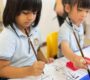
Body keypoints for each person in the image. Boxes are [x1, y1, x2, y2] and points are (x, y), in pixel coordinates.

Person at [0, 0, 53, 79]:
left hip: (33, 75)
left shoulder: (35, 29)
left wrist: (45, 61)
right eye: (25, 12)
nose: (31, 17)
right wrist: (29, 71)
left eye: (34, 12)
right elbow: (1, 70)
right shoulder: (7, 36)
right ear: (12, 10)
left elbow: (37, 49)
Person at [58, 0, 90, 69]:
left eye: (87, 11)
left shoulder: (80, 25)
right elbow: (65, 49)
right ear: (68, 8)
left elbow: (80, 42)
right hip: (65, 63)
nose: (84, 15)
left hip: (77, 58)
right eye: (80, 10)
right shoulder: (64, 29)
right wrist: (75, 58)